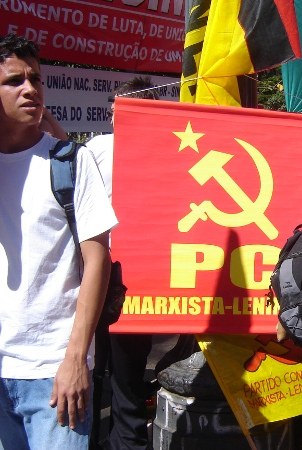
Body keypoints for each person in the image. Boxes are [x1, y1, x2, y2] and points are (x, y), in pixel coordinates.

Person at [0, 33, 117, 448]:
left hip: (53, 373)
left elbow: (97, 261)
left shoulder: (69, 161)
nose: (30, 88)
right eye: (14, 81)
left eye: (35, 78)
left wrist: (75, 360)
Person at [85, 77, 197, 450]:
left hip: (147, 271)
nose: (123, 116)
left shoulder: (166, 150)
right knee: (101, 359)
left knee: (129, 362)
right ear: (111, 113)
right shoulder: (97, 149)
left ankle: (127, 437)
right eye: (118, 109)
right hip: (106, 268)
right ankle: (111, 434)